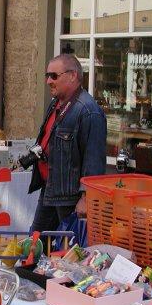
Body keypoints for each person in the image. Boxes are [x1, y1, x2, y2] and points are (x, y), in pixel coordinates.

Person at [28, 53, 106, 233]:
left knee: (72, 249)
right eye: (47, 76)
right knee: (35, 244)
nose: (48, 81)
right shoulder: (56, 103)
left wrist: (86, 198)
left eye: (54, 76)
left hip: (70, 197)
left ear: (73, 76)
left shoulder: (88, 111)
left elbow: (93, 160)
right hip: (51, 188)